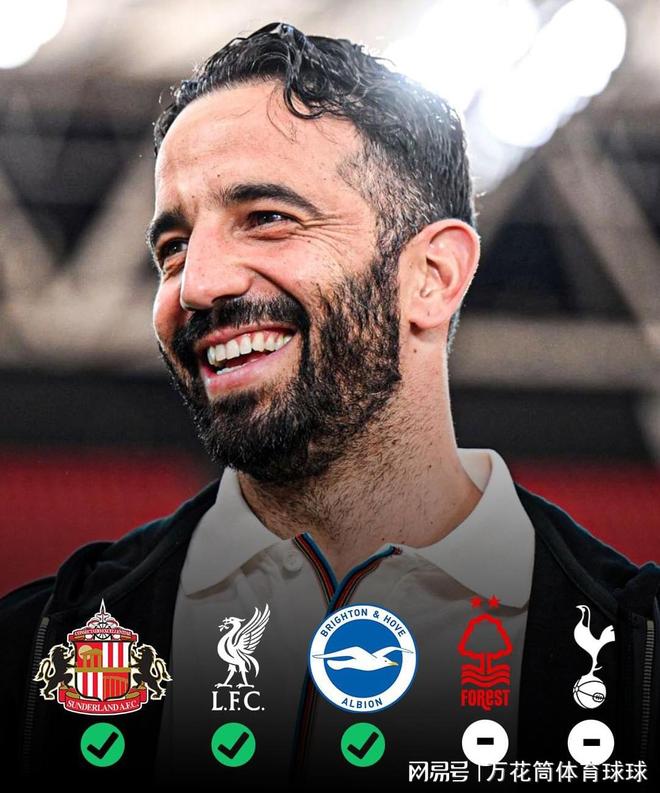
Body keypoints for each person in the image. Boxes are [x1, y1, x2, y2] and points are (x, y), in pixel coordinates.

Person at [1, 21, 658, 790]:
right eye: (173, 247)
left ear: (434, 275)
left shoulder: (636, 658)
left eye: (266, 218)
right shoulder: (34, 653)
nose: (197, 284)